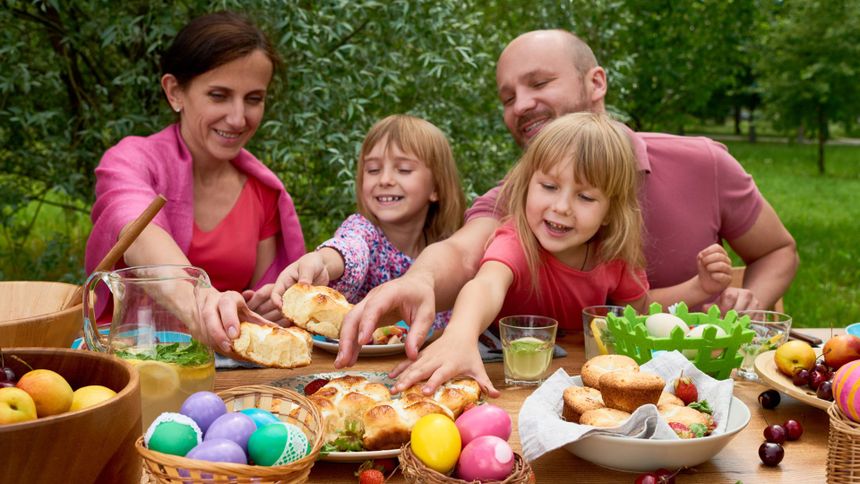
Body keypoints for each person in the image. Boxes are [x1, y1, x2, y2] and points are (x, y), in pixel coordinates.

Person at [335, 29, 798, 394]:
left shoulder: (699, 166)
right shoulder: (515, 206)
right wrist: (422, 283)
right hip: (538, 384)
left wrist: (735, 297)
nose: (521, 105)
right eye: (507, 97)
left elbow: (773, 253)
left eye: (538, 82)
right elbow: (468, 261)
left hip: (695, 383)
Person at [390, 112, 734, 394]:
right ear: (527, 186)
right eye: (549, 187)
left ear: (610, 212)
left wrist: (699, 288)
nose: (562, 206)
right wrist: (459, 336)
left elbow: (640, 311)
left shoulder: (613, 258)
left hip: (575, 384)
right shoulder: (516, 239)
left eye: (585, 197)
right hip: (502, 381)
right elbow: (486, 284)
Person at [85, 11, 305, 355]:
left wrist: (268, 307)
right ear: (175, 92)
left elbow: (264, 314)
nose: (237, 118)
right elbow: (138, 231)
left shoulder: (264, 192)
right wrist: (202, 300)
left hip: (224, 374)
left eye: (254, 99)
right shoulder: (129, 161)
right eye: (218, 95)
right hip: (128, 366)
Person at [270, 114, 465, 332]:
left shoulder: (449, 249)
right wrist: (321, 262)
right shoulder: (363, 230)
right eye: (373, 170)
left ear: (436, 188)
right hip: (360, 365)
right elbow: (349, 248)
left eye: (403, 170)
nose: (384, 180)